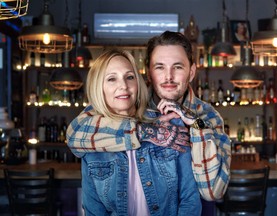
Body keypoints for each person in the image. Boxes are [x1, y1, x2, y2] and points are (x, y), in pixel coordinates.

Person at [67, 31, 231, 214]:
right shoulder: (127, 100)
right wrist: (148, 131)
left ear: (191, 72)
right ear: (148, 71)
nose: (169, 77)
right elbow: (75, 134)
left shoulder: (208, 117)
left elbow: (212, 192)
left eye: (177, 67)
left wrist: (194, 125)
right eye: (159, 67)